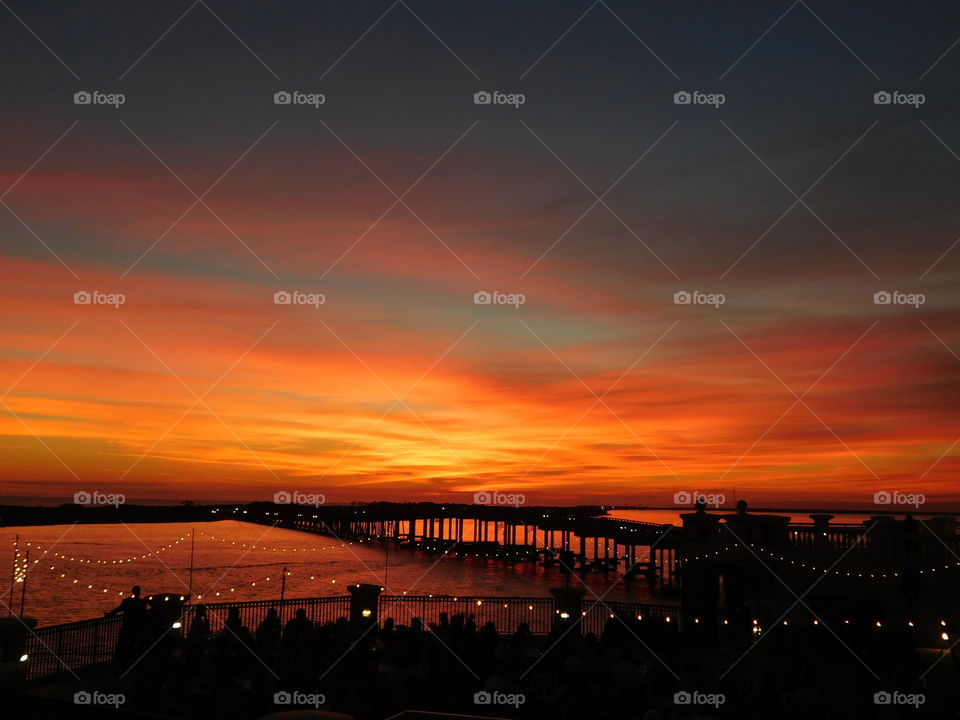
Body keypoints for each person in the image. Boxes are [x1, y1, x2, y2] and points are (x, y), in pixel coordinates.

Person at [105, 585, 148, 663]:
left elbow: (118, 609)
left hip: (129, 626)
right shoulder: (142, 602)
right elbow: (144, 614)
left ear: (133, 592)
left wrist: (109, 614)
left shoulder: (127, 601)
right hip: (136, 627)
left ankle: (126, 658)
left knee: (127, 642)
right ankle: (132, 658)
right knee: (135, 642)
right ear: (139, 592)